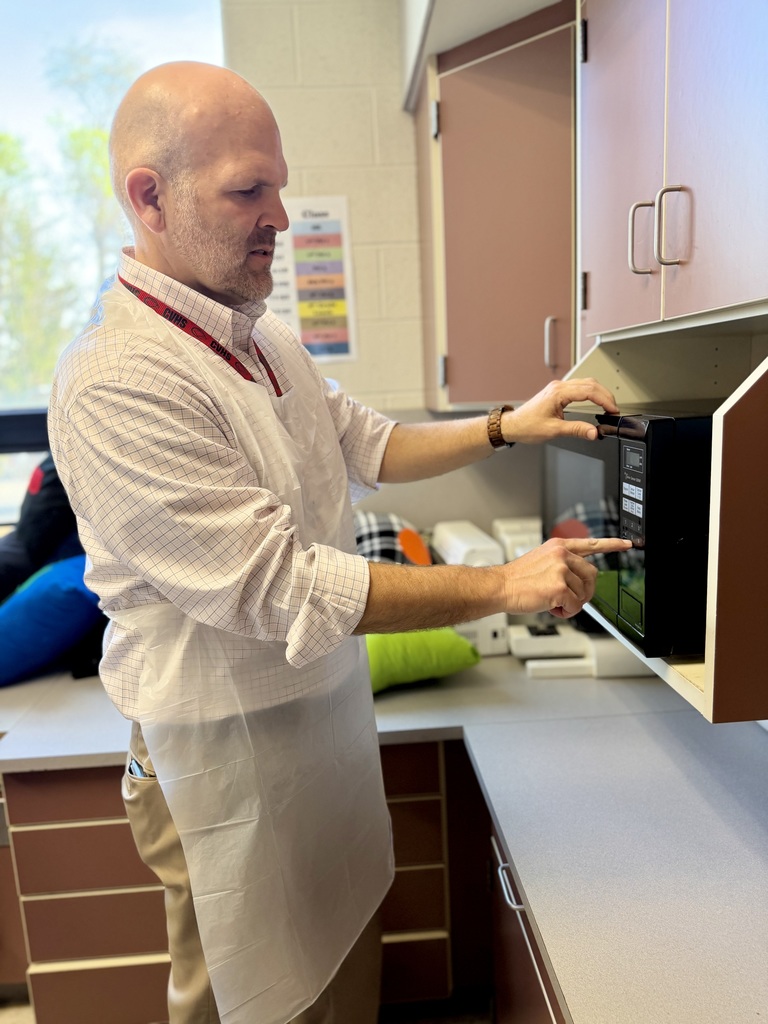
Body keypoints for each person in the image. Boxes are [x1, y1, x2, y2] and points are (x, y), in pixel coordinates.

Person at [48, 61, 631, 1024]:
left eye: (278, 184)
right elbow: (283, 586)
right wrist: (501, 586)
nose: (281, 214)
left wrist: (508, 425)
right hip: (216, 761)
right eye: (249, 190)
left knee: (342, 980)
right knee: (248, 1000)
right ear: (148, 197)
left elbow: (366, 443)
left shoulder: (256, 335)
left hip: (316, 737)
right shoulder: (117, 380)